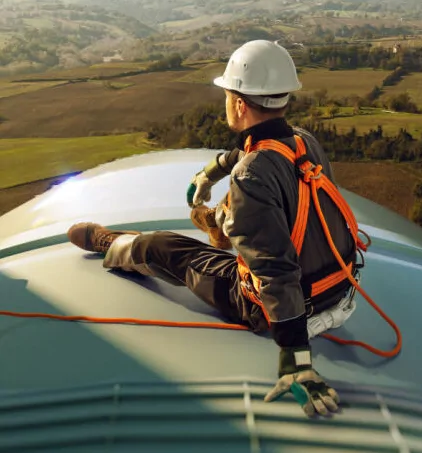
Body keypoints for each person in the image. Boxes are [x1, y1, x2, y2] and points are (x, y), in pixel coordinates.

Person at [67, 39, 363, 418]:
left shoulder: (252, 175)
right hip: (341, 292)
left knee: (164, 247)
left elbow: (275, 271)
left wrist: (296, 359)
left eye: (228, 94)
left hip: (288, 311)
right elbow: (252, 152)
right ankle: (223, 224)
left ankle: (114, 244)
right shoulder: (303, 141)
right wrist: (211, 172)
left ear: (239, 103)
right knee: (245, 213)